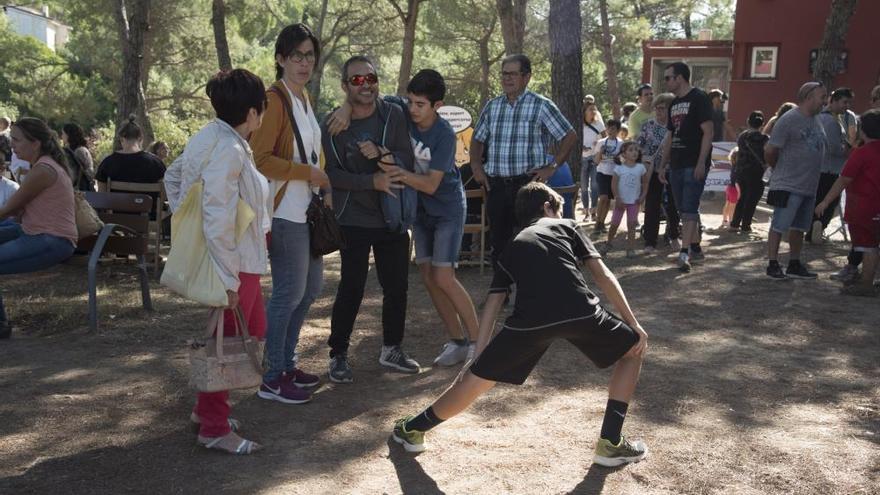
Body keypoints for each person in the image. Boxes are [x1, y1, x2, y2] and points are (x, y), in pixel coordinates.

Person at [391, 182, 649, 468]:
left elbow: (493, 302)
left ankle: (412, 428)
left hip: (529, 324)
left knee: (477, 380)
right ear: (548, 207)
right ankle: (610, 442)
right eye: (558, 208)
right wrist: (633, 323)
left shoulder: (512, 246)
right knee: (633, 351)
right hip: (580, 311)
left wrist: (478, 356)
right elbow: (603, 275)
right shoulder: (567, 225)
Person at [163, 69, 271, 454]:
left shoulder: (213, 137)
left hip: (239, 256)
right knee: (228, 339)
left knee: (249, 329)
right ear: (253, 111)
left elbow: (173, 177)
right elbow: (217, 210)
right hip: (235, 259)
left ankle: (207, 409)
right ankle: (214, 425)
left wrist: (183, 219)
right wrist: (226, 273)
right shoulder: (229, 147)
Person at [322, 55, 418, 382]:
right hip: (353, 219)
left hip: (392, 216)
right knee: (351, 287)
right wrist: (370, 181)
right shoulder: (332, 124)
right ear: (345, 86)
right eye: (357, 80)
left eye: (371, 78)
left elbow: (407, 157)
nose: (366, 85)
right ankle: (337, 354)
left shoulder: (394, 113)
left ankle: (392, 349)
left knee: (397, 287)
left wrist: (382, 153)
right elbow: (330, 174)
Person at [248, 23, 328, 404]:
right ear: (280, 58)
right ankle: (272, 375)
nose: (304, 62)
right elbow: (261, 159)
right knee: (287, 293)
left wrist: (318, 181)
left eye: (309, 55)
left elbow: (313, 149)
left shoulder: (304, 97)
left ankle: (287, 363)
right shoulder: (274, 99)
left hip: (307, 211)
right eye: (296, 55)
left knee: (310, 290)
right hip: (283, 212)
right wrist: (307, 173)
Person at [378, 70, 479, 367]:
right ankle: (457, 342)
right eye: (410, 101)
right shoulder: (404, 111)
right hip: (420, 211)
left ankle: (478, 342)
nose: (412, 109)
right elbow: (373, 99)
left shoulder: (445, 134)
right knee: (427, 276)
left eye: (420, 104)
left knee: (444, 277)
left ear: (437, 105)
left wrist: (396, 172)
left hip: (447, 208)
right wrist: (345, 108)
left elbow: (431, 184)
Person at [468, 54, 577, 272]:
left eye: (513, 74)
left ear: (526, 77)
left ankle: (531, 294)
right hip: (496, 184)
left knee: (532, 241)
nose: (507, 78)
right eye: (504, 73)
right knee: (499, 243)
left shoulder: (541, 105)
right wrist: (476, 167)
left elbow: (569, 135)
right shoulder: (492, 106)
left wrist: (552, 167)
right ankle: (501, 293)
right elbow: (477, 139)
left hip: (528, 185)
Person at [0, 118, 77, 339]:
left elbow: (8, 209)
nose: (11, 144)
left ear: (35, 143)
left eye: (16, 139)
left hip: (52, 240)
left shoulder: (43, 170)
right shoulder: (43, 165)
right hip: (33, 231)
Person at [763, 82, 827, 280]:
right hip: (788, 183)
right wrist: (778, 169)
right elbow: (770, 150)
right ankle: (773, 263)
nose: (824, 101)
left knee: (799, 226)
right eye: (821, 97)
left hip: (808, 185)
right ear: (808, 97)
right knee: (780, 224)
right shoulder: (789, 119)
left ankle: (794, 263)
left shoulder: (817, 119)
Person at [815, 109, 880, 296]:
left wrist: (826, 201)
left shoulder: (861, 153)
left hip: (865, 207)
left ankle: (866, 284)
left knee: (868, 247)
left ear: (862, 131)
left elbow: (843, 180)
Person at [657, 61, 714, 273]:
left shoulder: (699, 98)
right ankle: (696, 248)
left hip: (693, 163)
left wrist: (701, 162)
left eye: (668, 77)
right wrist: (663, 165)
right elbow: (670, 136)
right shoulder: (673, 104)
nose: (666, 82)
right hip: (677, 164)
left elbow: (708, 132)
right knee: (684, 209)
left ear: (679, 78)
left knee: (689, 208)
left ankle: (684, 253)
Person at [831, 84, 880, 283]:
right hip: (863, 195)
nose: (871, 103)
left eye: (874, 99)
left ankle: (864, 279)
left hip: (867, 199)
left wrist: (826, 201)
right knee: (867, 239)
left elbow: (845, 177)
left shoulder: (870, 127)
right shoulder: (865, 138)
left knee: (867, 239)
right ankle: (856, 269)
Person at [807, 87, 854, 243]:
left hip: (819, 167)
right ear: (833, 101)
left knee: (818, 199)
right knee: (828, 201)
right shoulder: (832, 121)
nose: (847, 106)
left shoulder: (819, 117)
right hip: (831, 169)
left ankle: (812, 230)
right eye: (844, 102)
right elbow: (834, 149)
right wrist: (848, 148)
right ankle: (817, 228)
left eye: (848, 103)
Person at [637, 92, 681, 253]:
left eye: (662, 108)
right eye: (656, 108)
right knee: (652, 204)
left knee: (673, 205)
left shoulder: (677, 127)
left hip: (672, 170)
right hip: (652, 170)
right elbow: (639, 146)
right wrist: (643, 164)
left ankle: (674, 236)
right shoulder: (647, 125)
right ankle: (650, 241)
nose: (658, 111)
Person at [95, 116, 166, 191]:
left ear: (121, 139)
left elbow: (101, 194)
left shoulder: (107, 163)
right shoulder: (156, 163)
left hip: (117, 203)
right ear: (141, 138)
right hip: (149, 203)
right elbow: (165, 194)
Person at [604, 141, 648, 257]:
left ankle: (630, 248)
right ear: (623, 154)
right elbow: (613, 184)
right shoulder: (619, 169)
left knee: (632, 224)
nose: (634, 152)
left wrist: (643, 196)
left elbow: (645, 182)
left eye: (636, 150)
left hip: (634, 202)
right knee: (614, 224)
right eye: (631, 150)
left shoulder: (641, 168)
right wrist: (617, 198)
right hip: (620, 202)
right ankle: (608, 243)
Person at [729, 111, 768, 233]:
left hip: (742, 170)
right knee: (752, 199)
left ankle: (735, 223)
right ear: (762, 123)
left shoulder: (742, 136)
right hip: (757, 173)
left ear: (748, 122)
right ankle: (746, 225)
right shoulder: (765, 139)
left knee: (742, 197)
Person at [593, 119, 623, 233]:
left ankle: (602, 223)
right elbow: (596, 161)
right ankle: (597, 222)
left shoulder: (621, 144)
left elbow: (623, 160)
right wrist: (600, 152)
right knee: (603, 198)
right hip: (602, 172)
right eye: (608, 128)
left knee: (608, 200)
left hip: (614, 174)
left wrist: (618, 158)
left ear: (618, 130)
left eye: (613, 129)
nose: (610, 131)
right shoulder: (601, 142)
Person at [581, 100, 606, 220]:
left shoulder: (599, 124)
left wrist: (599, 143)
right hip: (582, 159)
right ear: (585, 111)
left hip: (595, 157)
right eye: (590, 109)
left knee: (595, 185)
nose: (593, 111)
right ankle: (586, 212)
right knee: (584, 186)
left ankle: (594, 211)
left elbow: (606, 139)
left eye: (594, 109)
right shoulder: (579, 124)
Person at [61, 123, 95, 191]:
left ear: (69, 135)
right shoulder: (76, 149)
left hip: (81, 189)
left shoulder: (79, 151)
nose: (62, 136)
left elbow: (85, 173)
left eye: (63, 133)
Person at [720, 150, 739, 229]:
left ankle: (724, 221)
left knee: (727, 205)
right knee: (732, 207)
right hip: (734, 189)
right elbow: (737, 182)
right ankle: (731, 221)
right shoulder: (738, 167)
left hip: (729, 188)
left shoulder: (733, 165)